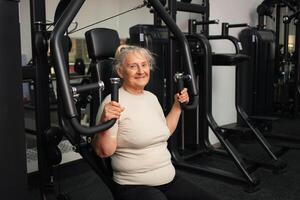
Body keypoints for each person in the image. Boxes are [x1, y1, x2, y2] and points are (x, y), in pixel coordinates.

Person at [92, 45, 219, 200]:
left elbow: (164, 131)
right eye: (133, 66)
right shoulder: (113, 103)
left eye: (144, 65)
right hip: (134, 186)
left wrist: (177, 106)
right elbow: (104, 152)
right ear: (120, 72)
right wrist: (105, 122)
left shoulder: (151, 97)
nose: (141, 71)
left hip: (169, 179)